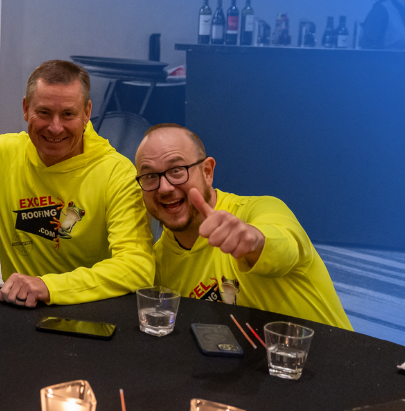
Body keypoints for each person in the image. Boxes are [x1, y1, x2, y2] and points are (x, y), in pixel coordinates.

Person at [0, 60, 155, 308]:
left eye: (68, 114)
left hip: (92, 314)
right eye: (44, 112)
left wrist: (48, 287)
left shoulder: (117, 174)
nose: (55, 127)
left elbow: (137, 267)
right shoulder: (2, 155)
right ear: (26, 108)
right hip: (21, 310)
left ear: (87, 113)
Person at [134, 123, 352, 329]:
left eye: (177, 170)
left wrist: (253, 240)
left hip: (330, 353)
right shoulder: (159, 263)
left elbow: (285, 247)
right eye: (150, 176)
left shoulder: (260, 210)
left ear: (207, 172)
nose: (164, 188)